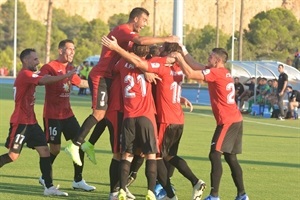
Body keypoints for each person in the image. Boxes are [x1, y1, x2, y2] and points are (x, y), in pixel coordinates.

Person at [64, 7, 179, 166]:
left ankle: (89, 144)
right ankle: (75, 144)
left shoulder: (129, 38)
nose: (145, 24)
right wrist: (167, 38)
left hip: (111, 77)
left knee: (107, 114)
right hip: (101, 76)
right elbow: (141, 42)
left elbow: (138, 53)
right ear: (136, 19)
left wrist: (151, 67)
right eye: (144, 20)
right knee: (99, 113)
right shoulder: (123, 30)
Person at [101, 37, 207, 200]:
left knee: (149, 156)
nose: (158, 50)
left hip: (158, 117)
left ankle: (169, 191)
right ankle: (158, 189)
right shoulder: (177, 68)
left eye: (162, 48)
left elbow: (137, 64)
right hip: (174, 118)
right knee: (164, 155)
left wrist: (116, 48)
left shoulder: (154, 65)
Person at [171, 47, 249, 200]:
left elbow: (191, 74)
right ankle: (242, 195)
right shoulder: (220, 71)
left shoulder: (216, 73)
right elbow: (194, 65)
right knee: (230, 157)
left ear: (218, 60)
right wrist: (184, 50)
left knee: (214, 154)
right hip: (234, 119)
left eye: (211, 56)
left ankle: (214, 196)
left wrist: (179, 58)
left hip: (228, 121)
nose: (208, 58)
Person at [0, 48, 75, 196]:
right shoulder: (25, 75)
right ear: (26, 61)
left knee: (45, 151)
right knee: (13, 156)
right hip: (20, 123)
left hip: (32, 123)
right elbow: (44, 80)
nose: (38, 62)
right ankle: (49, 186)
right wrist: (65, 76)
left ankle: (49, 187)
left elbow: (42, 77)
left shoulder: (30, 74)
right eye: (35, 59)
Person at [38, 39, 95, 191]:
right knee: (55, 149)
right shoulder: (50, 66)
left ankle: (78, 180)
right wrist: (64, 76)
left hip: (67, 114)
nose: (72, 52)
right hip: (52, 115)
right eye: (69, 49)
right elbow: (41, 80)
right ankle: (44, 176)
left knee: (79, 145)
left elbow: (80, 83)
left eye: (74, 49)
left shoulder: (70, 68)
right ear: (61, 50)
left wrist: (99, 83)